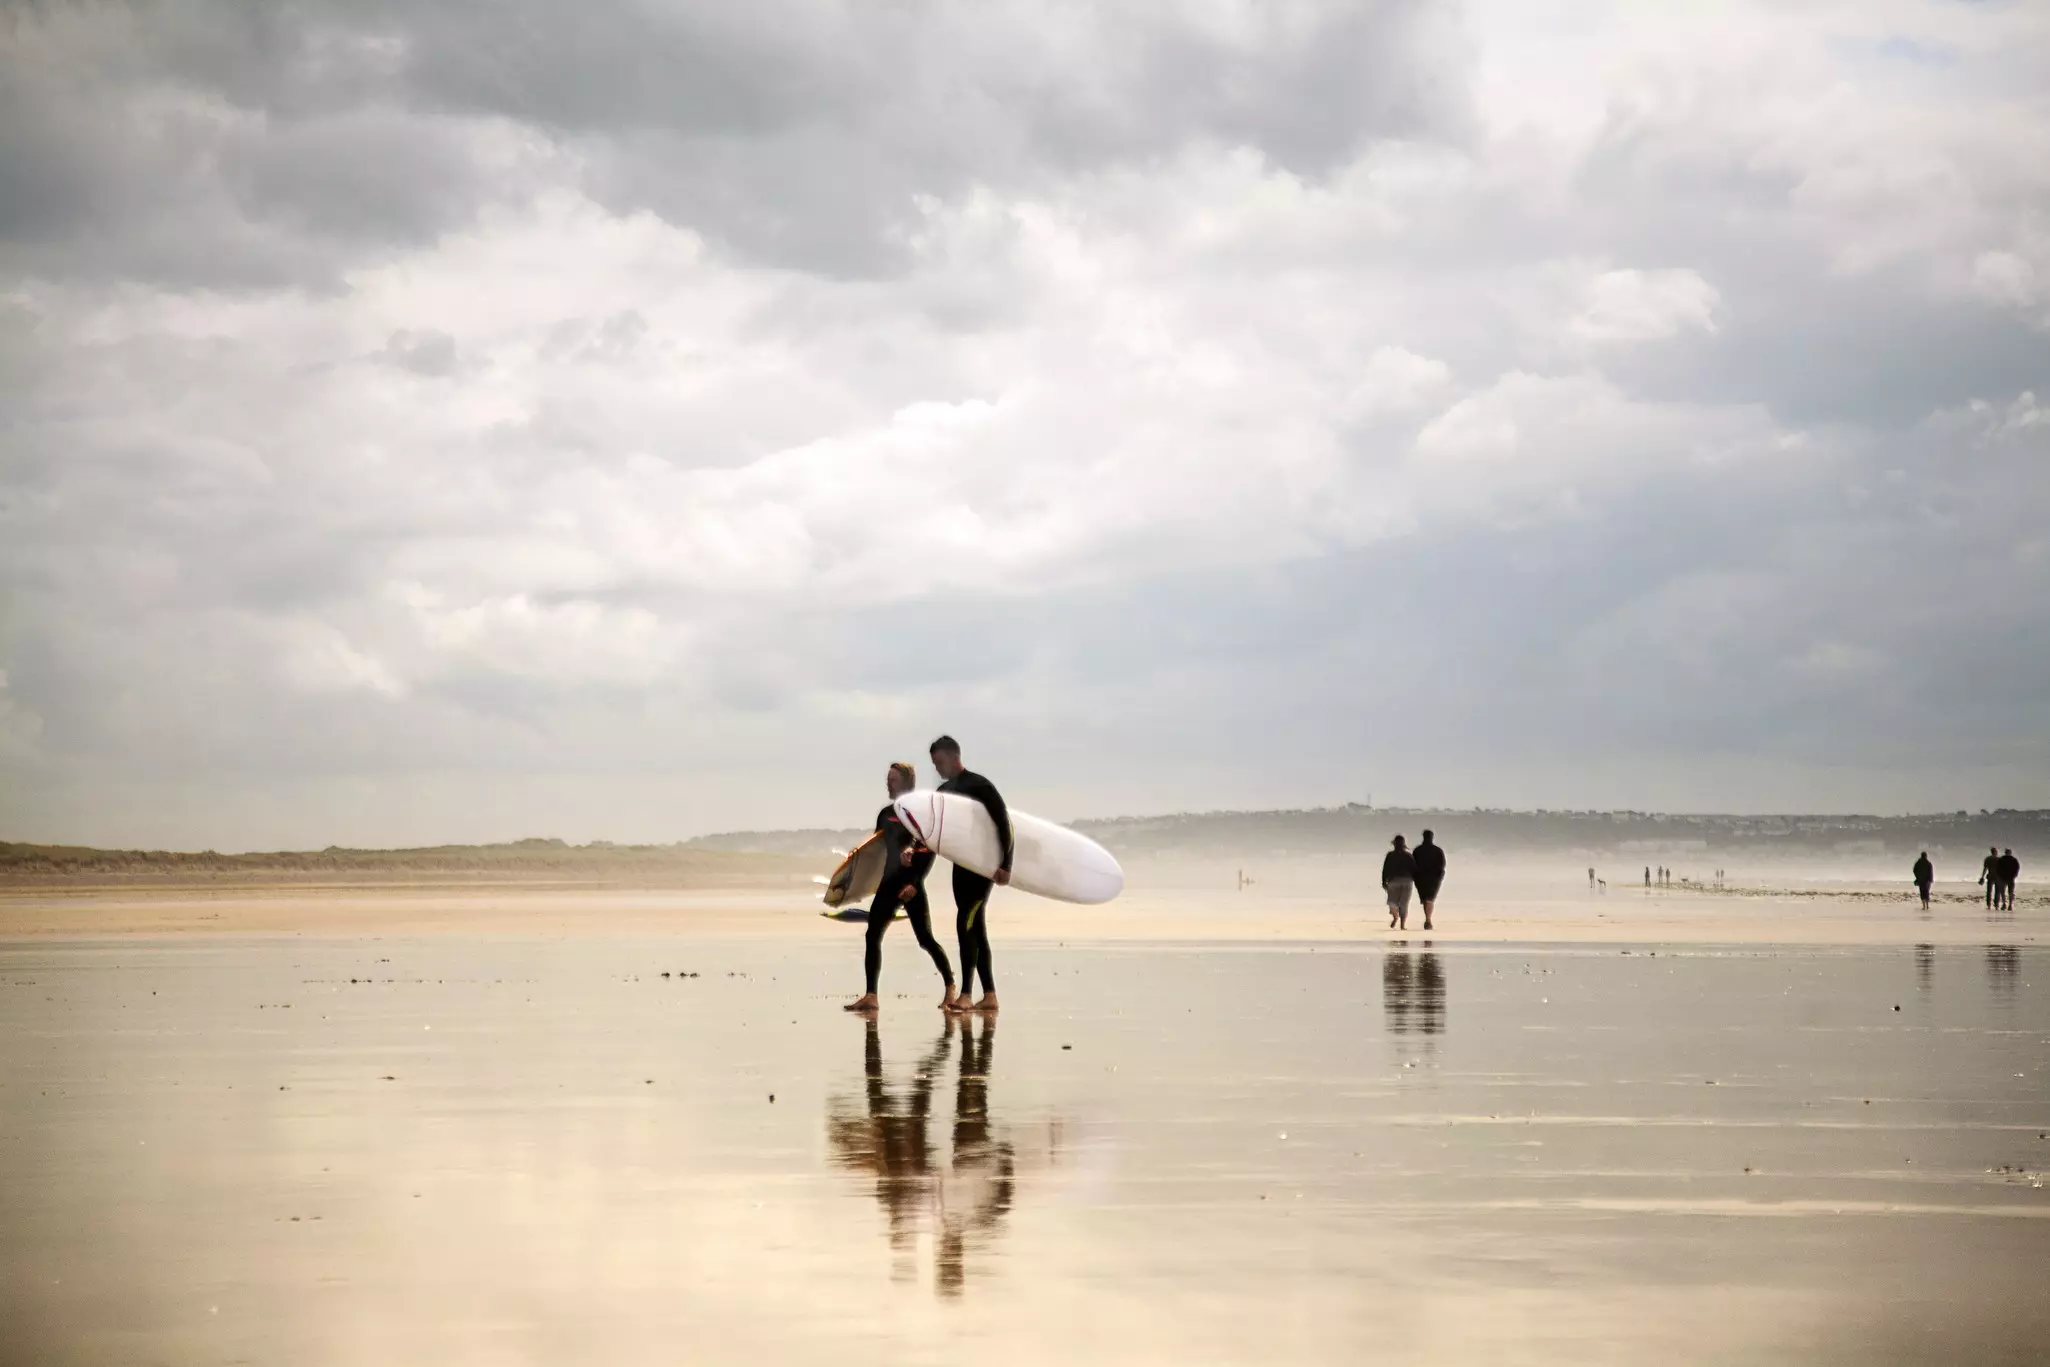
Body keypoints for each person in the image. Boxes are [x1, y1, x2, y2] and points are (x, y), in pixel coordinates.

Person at [846, 762, 955, 1013]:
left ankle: (950, 987)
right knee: (873, 935)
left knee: (925, 939)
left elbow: (928, 849)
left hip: (910, 883)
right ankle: (871, 995)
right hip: (889, 882)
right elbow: (875, 852)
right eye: (887, 778)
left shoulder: (920, 813)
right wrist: (857, 876)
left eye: (893, 779)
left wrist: (915, 882)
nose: (888, 783)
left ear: (906, 782)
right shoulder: (885, 814)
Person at [930, 736, 1011, 1014]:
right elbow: (937, 831)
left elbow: (1004, 824)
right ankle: (989, 996)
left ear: (954, 757)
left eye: (940, 762)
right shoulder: (943, 791)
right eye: (934, 764)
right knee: (975, 926)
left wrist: (1006, 865)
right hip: (960, 866)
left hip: (981, 868)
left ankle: (966, 993)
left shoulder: (979, 786)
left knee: (965, 921)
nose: (938, 768)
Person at [1412, 830, 1447, 931]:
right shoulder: (1437, 850)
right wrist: (1440, 876)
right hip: (1433, 878)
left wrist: (1415, 876)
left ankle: (1428, 919)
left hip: (1421, 878)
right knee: (1429, 899)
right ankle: (1428, 919)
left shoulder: (1418, 850)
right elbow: (1442, 865)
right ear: (1432, 837)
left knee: (1426, 899)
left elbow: (1413, 865)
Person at [1382, 834, 1415, 930]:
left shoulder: (1390, 855)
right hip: (1407, 881)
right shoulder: (1408, 856)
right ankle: (1402, 925)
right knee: (1404, 903)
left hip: (1393, 881)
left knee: (1392, 902)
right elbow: (1414, 870)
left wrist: (1384, 881)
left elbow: (1385, 869)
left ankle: (1395, 917)